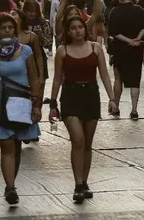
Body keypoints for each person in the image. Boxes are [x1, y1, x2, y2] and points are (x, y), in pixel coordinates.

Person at [48, 16, 117, 204]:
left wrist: (112, 99)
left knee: (87, 142)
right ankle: (78, 184)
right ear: (68, 31)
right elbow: (57, 78)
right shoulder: (62, 51)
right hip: (70, 95)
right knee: (77, 139)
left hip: (91, 95)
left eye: (80, 27)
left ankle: (84, 181)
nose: (78, 30)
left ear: (85, 29)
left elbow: (104, 74)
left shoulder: (95, 48)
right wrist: (53, 103)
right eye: (73, 28)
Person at [0, 14, 42, 205]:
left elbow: (34, 78)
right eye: (3, 28)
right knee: (6, 145)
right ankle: (10, 187)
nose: (7, 31)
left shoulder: (25, 51)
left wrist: (36, 105)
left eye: (10, 27)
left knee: (16, 147)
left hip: (21, 104)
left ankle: (11, 181)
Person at [107, 0, 144, 120]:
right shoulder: (140, 10)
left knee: (118, 78)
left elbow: (114, 32)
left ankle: (116, 108)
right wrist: (137, 38)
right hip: (136, 50)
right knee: (135, 80)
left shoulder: (114, 11)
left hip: (120, 49)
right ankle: (134, 110)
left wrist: (128, 40)